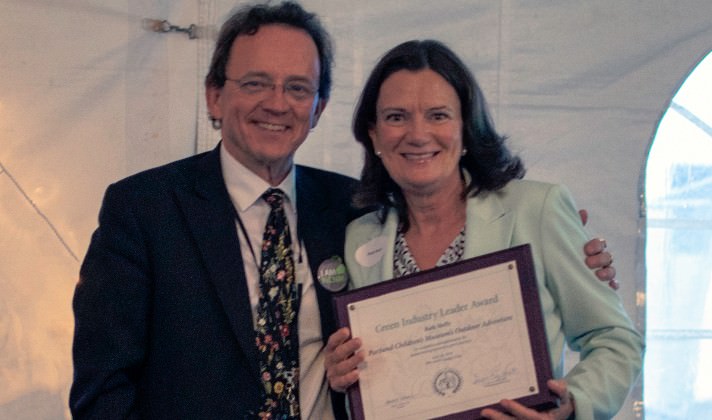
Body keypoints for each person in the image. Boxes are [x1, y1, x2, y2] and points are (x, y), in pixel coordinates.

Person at [69, 2, 618, 419]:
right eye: (255, 83)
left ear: (319, 107)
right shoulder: (142, 210)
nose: (276, 103)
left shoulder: (350, 209)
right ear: (215, 96)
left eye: (297, 87)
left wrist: (578, 259)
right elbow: (102, 390)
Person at [324, 40, 643, 419]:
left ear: (466, 128)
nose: (418, 133)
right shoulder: (360, 236)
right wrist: (341, 371)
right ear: (374, 135)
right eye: (396, 117)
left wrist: (572, 403)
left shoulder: (536, 210)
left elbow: (614, 338)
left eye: (438, 115)